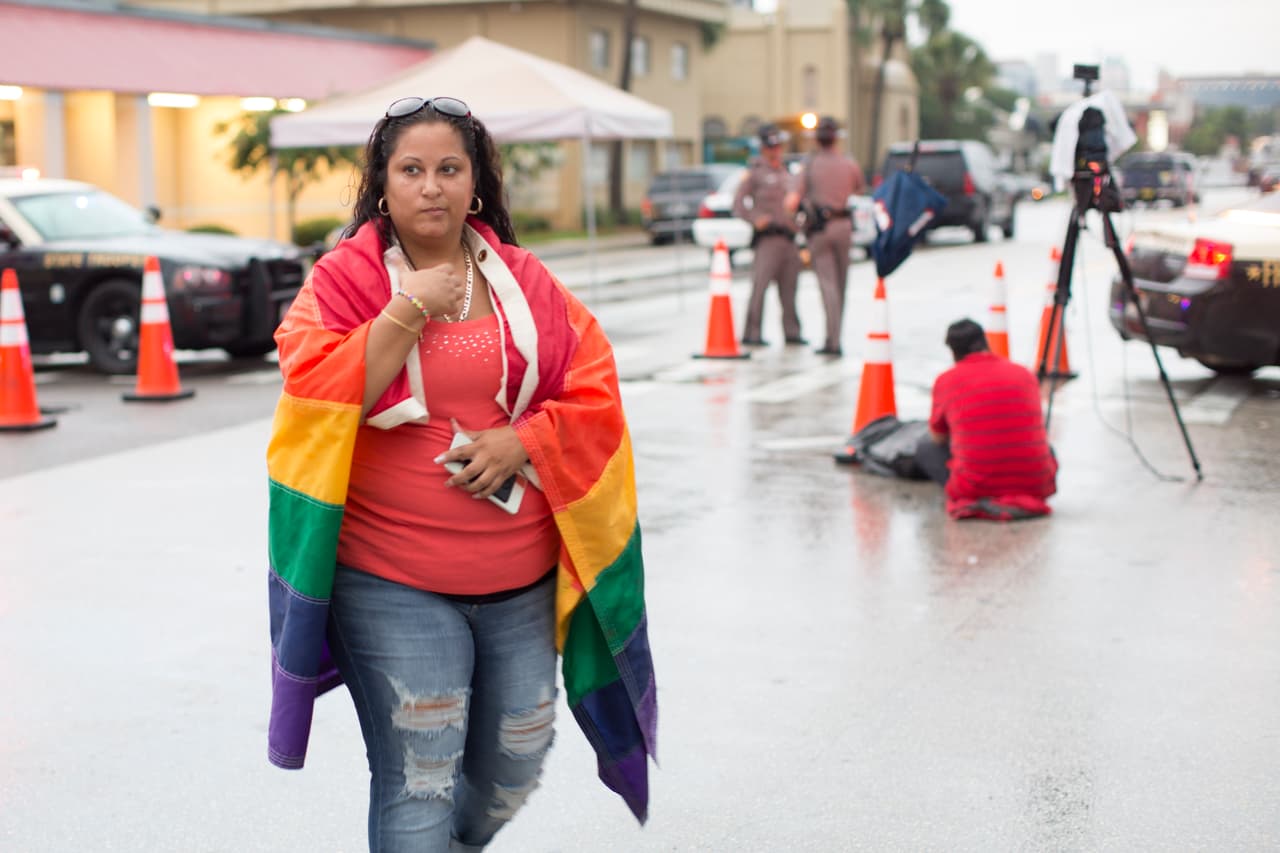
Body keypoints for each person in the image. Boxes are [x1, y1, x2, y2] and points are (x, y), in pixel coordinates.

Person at [264, 96, 657, 852]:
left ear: (476, 185)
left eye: (450, 168)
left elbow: (593, 384)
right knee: (419, 776)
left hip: (518, 581)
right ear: (384, 186)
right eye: (411, 169)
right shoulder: (345, 282)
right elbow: (316, 386)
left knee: (515, 763)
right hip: (389, 576)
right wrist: (408, 307)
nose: (431, 186)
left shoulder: (524, 279)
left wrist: (526, 441)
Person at [915, 318, 1058, 520]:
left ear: (953, 352)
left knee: (925, 447)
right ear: (985, 342)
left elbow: (938, 438)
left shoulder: (946, 380)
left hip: (976, 486)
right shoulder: (1024, 374)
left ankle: (981, 494)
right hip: (1037, 483)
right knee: (1046, 448)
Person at [788, 116, 866, 356]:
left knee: (828, 285)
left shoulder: (809, 165)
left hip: (820, 230)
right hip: (843, 227)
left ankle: (832, 340)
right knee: (841, 285)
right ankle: (836, 335)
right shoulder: (849, 164)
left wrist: (797, 225)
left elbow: (791, 202)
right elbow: (859, 189)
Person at [732, 123, 806, 347]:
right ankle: (752, 333)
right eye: (771, 147)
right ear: (763, 148)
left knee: (790, 289)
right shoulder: (755, 172)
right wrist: (755, 219)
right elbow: (738, 204)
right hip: (768, 238)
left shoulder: (788, 171)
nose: (776, 150)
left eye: (778, 146)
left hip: (789, 238)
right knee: (760, 287)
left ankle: (792, 332)